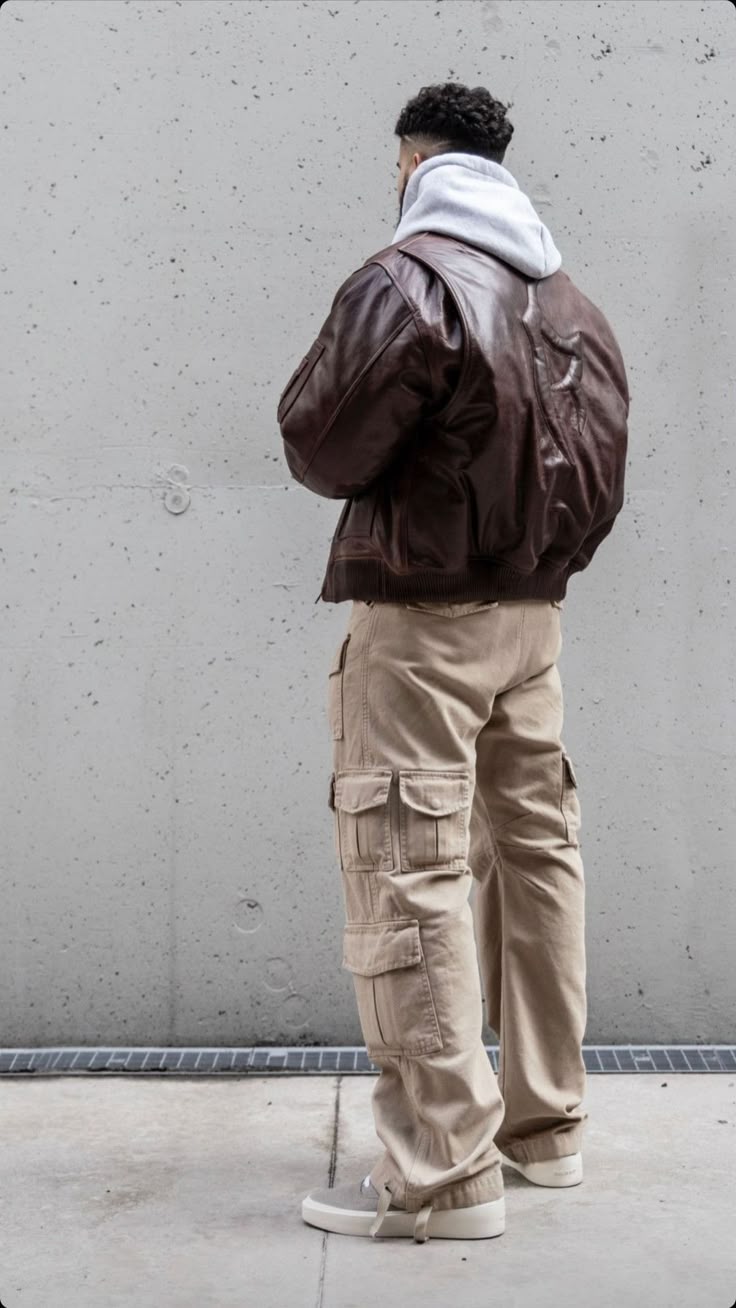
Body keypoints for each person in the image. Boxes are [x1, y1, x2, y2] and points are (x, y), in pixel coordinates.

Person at [277, 81, 629, 1243]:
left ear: (412, 163)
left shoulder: (409, 282)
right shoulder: (569, 301)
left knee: (410, 866)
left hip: (424, 623)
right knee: (534, 857)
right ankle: (546, 1130)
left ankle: (440, 1177)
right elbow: (599, 473)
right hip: (533, 619)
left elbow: (320, 443)